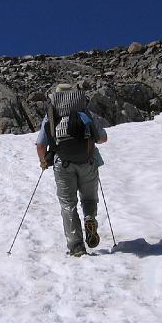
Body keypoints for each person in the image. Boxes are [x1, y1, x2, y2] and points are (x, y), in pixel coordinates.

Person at [35, 84, 108, 257]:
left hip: (63, 164)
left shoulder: (52, 115)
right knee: (89, 197)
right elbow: (103, 138)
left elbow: (40, 145)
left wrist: (43, 161)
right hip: (88, 161)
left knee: (68, 204)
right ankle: (89, 218)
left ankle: (76, 246)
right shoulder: (85, 112)